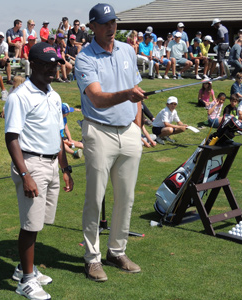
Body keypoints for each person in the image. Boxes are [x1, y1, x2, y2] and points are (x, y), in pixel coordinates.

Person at [75, 3, 145, 282]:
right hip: (99, 131)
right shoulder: (84, 58)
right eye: (104, 23)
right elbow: (97, 98)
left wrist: (138, 128)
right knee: (95, 198)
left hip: (128, 130)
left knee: (126, 197)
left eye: (113, 22)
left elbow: (137, 91)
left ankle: (117, 251)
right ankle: (92, 259)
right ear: (92, 26)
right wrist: (127, 95)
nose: (110, 27)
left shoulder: (128, 50)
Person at [5, 42, 74, 300]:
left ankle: (24, 267)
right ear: (32, 65)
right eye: (45, 64)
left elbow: (57, 135)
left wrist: (65, 167)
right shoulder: (19, 96)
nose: (51, 69)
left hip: (51, 164)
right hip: (31, 164)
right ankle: (26, 280)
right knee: (30, 224)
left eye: (54, 64)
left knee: (40, 222)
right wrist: (25, 175)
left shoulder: (54, 95)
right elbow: (11, 138)